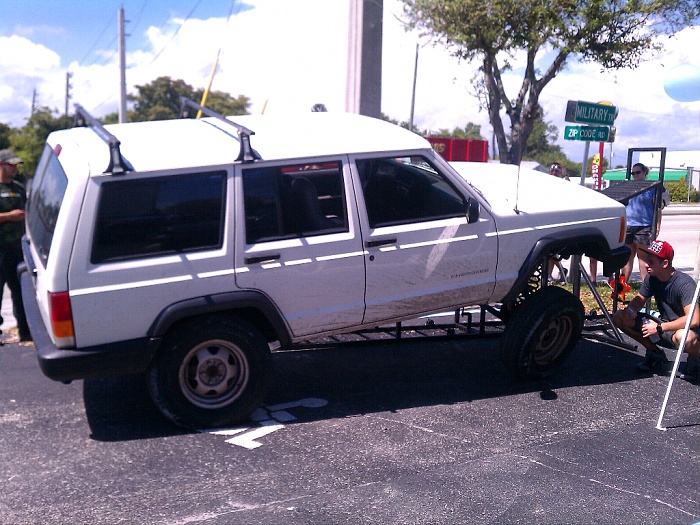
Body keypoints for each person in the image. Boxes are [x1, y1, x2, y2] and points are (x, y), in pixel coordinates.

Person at [612, 240, 700, 380]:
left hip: (685, 330)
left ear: (665, 264)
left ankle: (695, 359)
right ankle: (655, 353)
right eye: (647, 261)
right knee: (619, 317)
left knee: (685, 337)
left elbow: (694, 319)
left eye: (651, 262)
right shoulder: (652, 278)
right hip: (663, 325)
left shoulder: (684, 284)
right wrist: (631, 311)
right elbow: (639, 299)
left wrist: (659, 328)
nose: (646, 265)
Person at [0, 149, 31, 342]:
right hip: (0, 249)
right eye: (10, 165)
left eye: (16, 165)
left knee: (21, 291)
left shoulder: (19, 187)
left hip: (17, 248)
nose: (14, 168)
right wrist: (9, 217)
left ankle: (25, 331)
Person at [621, 162, 666, 283]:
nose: (635, 175)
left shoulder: (652, 187)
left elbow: (658, 208)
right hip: (628, 226)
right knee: (626, 258)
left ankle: (645, 290)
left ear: (645, 173)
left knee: (643, 258)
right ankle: (621, 290)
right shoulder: (628, 187)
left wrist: (657, 226)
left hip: (644, 227)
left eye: (638, 172)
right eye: (633, 173)